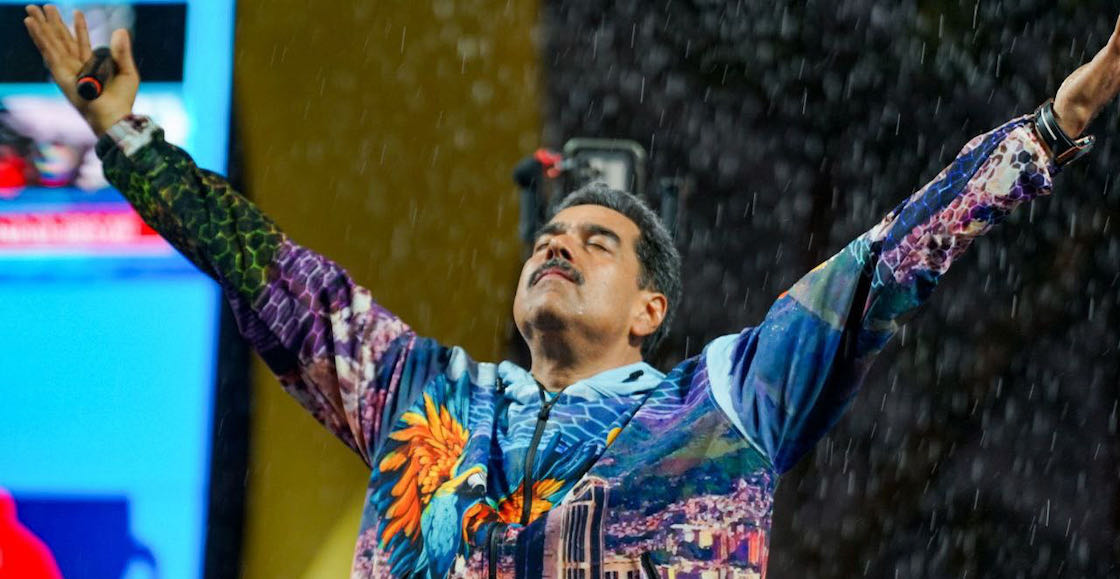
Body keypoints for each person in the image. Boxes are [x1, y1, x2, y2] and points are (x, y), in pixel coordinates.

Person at [21, 4, 1120, 578]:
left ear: (651, 310)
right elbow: (263, 265)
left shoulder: (725, 404)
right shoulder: (418, 395)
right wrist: (125, 136)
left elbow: (888, 261)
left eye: (597, 241)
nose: (558, 245)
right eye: (549, 236)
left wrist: (1048, 131)